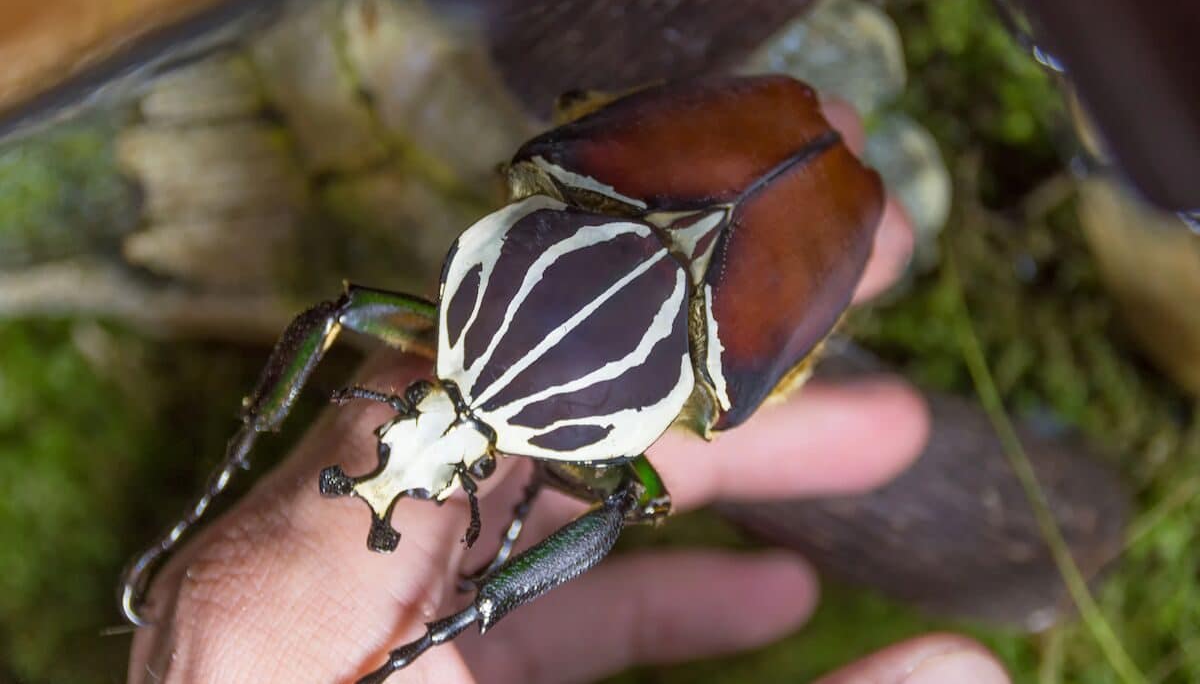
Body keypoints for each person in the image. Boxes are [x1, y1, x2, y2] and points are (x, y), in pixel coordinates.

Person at [126, 104, 1011, 684]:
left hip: (747, 176)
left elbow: (343, 313)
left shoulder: (565, 193)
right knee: (632, 492)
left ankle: (451, 593)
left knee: (355, 312)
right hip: (736, 198)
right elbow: (630, 493)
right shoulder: (564, 181)